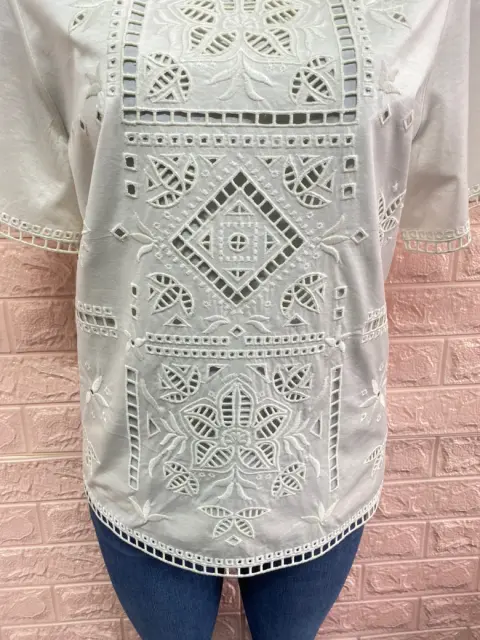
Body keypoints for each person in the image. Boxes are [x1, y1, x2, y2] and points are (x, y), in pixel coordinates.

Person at [0, 1, 478, 638]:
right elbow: (67, 203)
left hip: (321, 442)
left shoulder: (429, 9)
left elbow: (417, 187)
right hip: (144, 448)